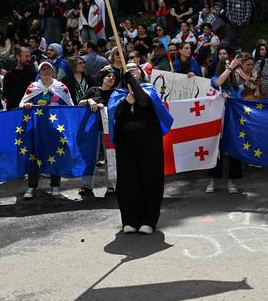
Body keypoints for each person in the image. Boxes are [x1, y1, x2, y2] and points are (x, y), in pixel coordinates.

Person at [107, 63, 173, 234]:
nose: (131, 70)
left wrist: (134, 86)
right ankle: (129, 220)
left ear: (141, 73)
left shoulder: (148, 89)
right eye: (127, 68)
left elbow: (144, 102)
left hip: (149, 142)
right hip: (126, 142)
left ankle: (148, 221)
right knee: (128, 179)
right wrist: (125, 102)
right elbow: (114, 114)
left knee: (150, 178)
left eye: (134, 68)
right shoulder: (118, 93)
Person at [19, 62, 74, 198]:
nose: (46, 71)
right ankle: (32, 187)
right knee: (34, 155)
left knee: (56, 155)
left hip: (55, 128)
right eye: (43, 70)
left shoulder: (61, 87)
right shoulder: (33, 87)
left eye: (48, 69)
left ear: (53, 72)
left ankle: (55, 186)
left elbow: (71, 105)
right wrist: (26, 105)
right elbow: (21, 104)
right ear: (39, 73)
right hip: (37, 128)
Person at [78, 66, 120, 197]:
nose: (111, 78)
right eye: (108, 76)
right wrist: (90, 100)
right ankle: (86, 186)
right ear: (102, 77)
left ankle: (111, 186)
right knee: (90, 157)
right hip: (92, 131)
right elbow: (79, 104)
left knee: (111, 159)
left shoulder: (116, 93)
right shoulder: (93, 90)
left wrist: (105, 107)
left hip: (110, 131)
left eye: (113, 77)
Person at [207, 56, 243, 194]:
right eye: (227, 64)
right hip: (217, 121)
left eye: (232, 64)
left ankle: (232, 181)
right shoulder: (214, 80)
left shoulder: (235, 87)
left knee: (233, 152)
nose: (231, 66)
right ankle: (212, 180)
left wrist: (231, 99)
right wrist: (230, 67)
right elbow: (217, 84)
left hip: (231, 122)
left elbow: (239, 103)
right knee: (216, 151)